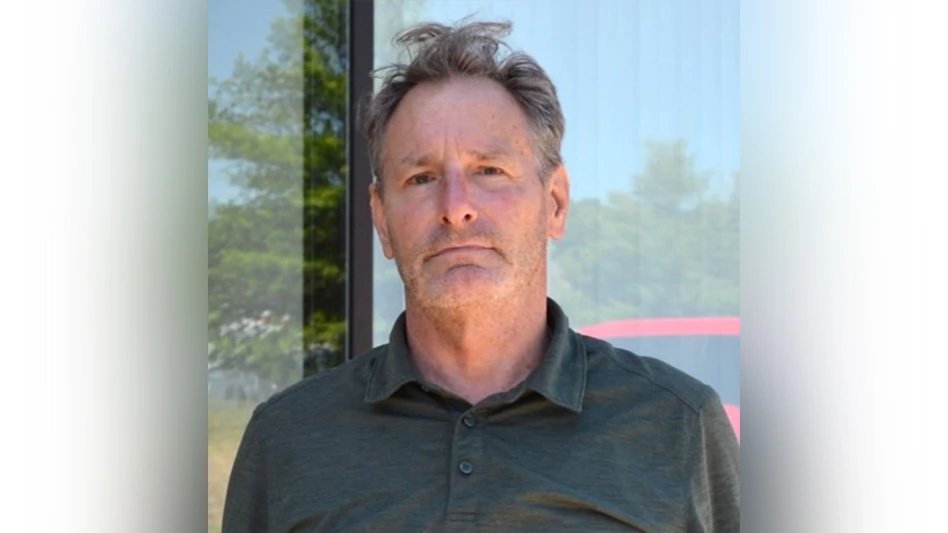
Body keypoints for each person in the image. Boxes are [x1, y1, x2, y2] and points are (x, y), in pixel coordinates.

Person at [222, 20, 740, 532]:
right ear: (382, 220)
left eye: (489, 171)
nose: (456, 208)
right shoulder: (287, 438)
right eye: (421, 178)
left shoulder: (679, 426)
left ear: (555, 202)